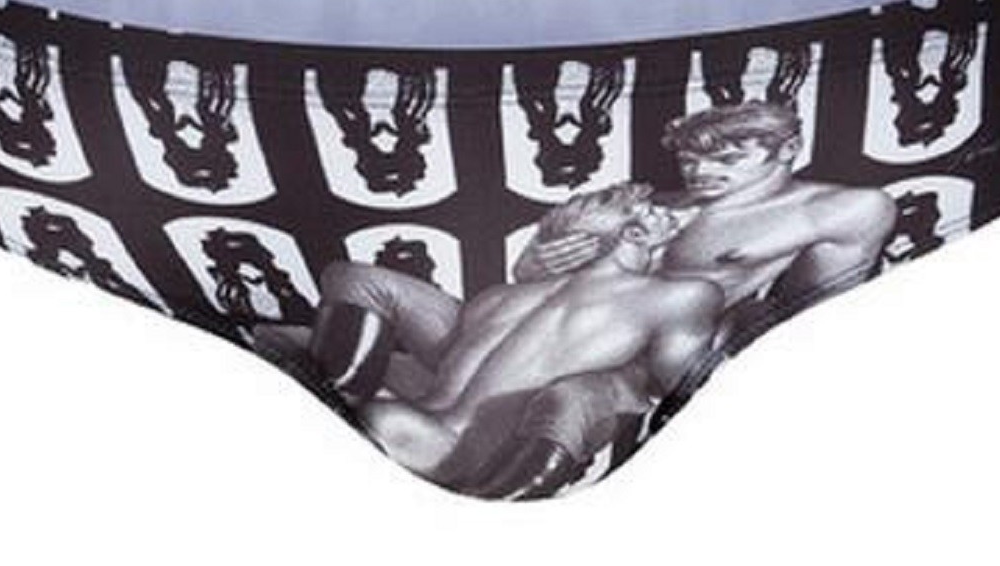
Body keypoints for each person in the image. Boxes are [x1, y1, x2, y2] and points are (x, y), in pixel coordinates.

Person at [309, 183, 724, 497]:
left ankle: (333, 401)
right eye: (651, 210)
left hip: (414, 426)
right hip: (452, 446)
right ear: (633, 234)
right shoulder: (678, 296)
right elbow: (682, 391)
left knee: (355, 281)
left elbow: (479, 357)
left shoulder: (505, 296)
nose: (666, 213)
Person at [515, 101, 898, 388]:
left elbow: (822, 315)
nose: (700, 171)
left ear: (788, 149)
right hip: (564, 339)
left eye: (728, 159)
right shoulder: (649, 204)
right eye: (688, 160)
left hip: (667, 368)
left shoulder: (835, 209)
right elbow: (529, 277)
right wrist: (536, 264)